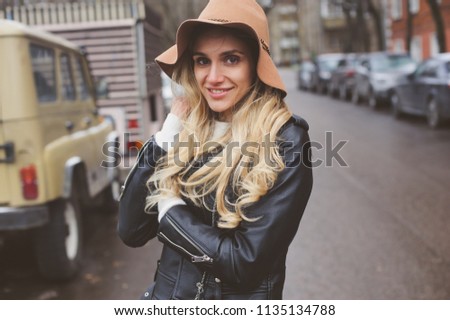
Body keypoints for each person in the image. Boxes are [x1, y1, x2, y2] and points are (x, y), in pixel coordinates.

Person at [117, 0, 313, 300]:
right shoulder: (187, 128)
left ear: (256, 66)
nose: (212, 77)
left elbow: (244, 263)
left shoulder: (285, 140)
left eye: (231, 59)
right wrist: (169, 131)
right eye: (202, 61)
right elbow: (131, 230)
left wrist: (169, 209)